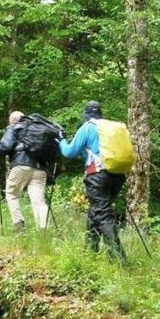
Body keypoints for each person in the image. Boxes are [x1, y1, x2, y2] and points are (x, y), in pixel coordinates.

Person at [59, 101, 125, 261]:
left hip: (97, 175)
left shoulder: (87, 127)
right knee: (96, 211)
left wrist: (60, 140)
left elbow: (69, 152)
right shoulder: (110, 128)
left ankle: (119, 259)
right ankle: (90, 253)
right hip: (118, 175)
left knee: (102, 214)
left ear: (86, 115)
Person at [0, 111, 49, 233]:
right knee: (39, 201)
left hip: (21, 166)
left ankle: (19, 226)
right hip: (40, 169)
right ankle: (43, 231)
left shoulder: (14, 127)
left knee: (12, 194)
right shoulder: (37, 129)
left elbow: (6, 146)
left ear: (12, 121)